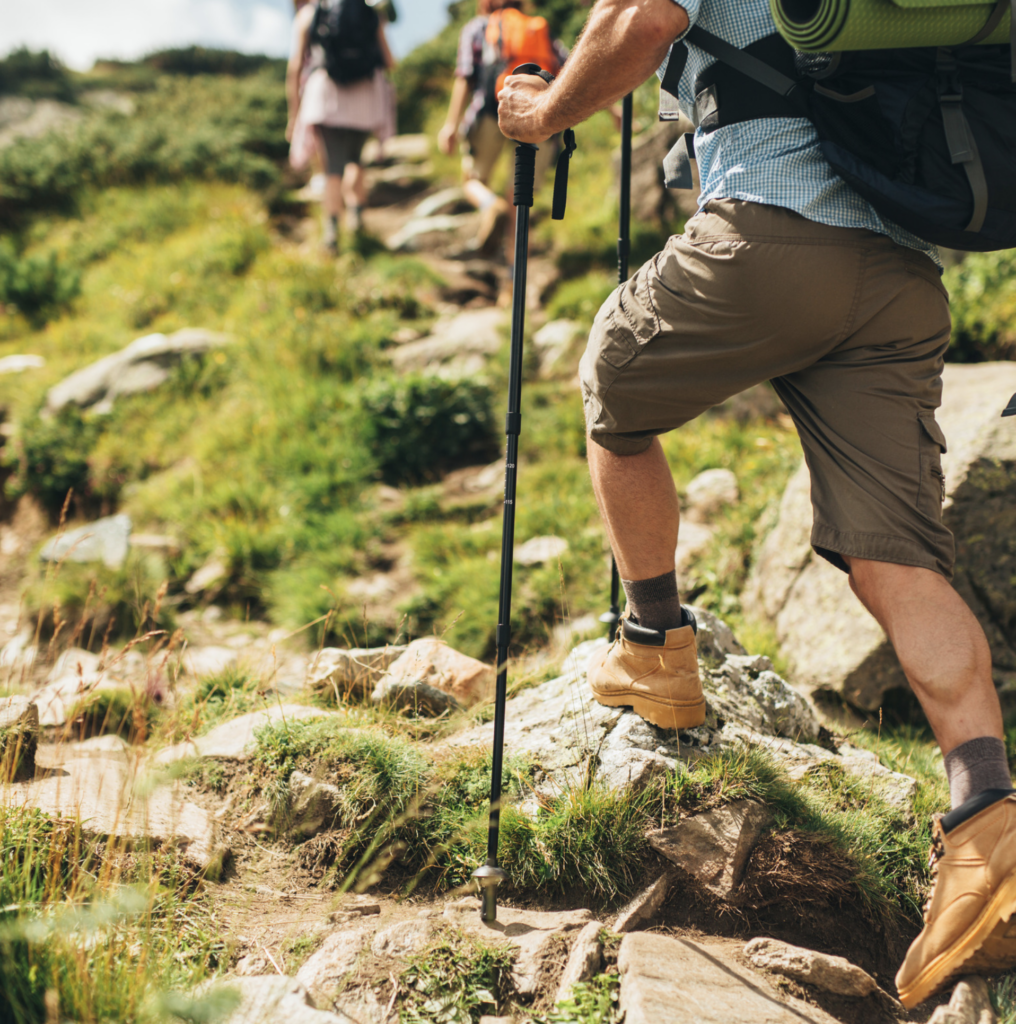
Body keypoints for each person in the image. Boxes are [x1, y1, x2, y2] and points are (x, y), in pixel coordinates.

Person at [497, 0, 1016, 1010]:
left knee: (612, 381)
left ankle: (653, 645)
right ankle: (986, 828)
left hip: (770, 239)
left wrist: (544, 112)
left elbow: (638, 16)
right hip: (895, 279)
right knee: (897, 559)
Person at [438, 0, 568, 259]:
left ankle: (490, 206)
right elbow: (569, 67)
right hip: (536, 113)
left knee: (472, 179)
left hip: (491, 109)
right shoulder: (540, 27)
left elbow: (464, 75)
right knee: (520, 201)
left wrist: (451, 125)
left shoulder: (478, 27)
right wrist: (613, 111)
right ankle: (513, 278)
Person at [288, 0, 397, 253]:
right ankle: (357, 220)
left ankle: (332, 234)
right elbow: (389, 61)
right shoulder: (371, 11)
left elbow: (295, 66)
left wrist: (294, 114)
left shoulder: (310, 14)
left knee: (333, 168)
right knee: (356, 160)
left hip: (326, 96)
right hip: (365, 97)